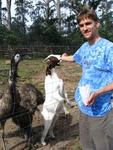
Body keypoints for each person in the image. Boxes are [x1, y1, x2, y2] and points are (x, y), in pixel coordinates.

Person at [61, 7, 113, 150]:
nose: (85, 28)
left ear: (97, 24)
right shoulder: (84, 47)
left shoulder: (109, 48)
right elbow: (75, 57)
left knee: (103, 146)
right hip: (84, 107)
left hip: (102, 110)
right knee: (87, 145)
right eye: (81, 25)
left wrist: (98, 93)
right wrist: (61, 57)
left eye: (88, 23)